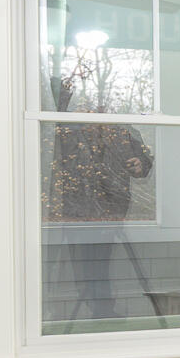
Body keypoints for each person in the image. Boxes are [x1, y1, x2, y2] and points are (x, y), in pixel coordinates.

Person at [45, 123, 155, 326]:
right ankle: (56, 313)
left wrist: (140, 163)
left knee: (100, 262)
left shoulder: (123, 132)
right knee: (73, 264)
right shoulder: (69, 131)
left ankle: (102, 311)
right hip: (75, 213)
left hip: (110, 212)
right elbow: (50, 163)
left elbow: (145, 163)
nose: (96, 109)